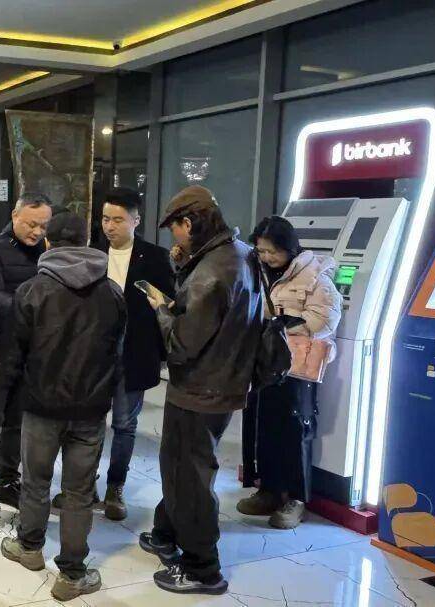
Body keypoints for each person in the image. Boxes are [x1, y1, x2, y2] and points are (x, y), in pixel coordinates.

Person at [138, 186, 262, 596]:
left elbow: (180, 345)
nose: (173, 236)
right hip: (223, 381)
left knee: (189, 475)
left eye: (174, 228)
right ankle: (166, 534)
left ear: (188, 224)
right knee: (180, 466)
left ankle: (202, 568)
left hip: (200, 388)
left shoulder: (211, 273)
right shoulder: (241, 254)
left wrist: (161, 308)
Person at [0, 212, 126, 602]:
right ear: (87, 241)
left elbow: (13, 355)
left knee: (35, 482)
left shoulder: (32, 290)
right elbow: (118, 354)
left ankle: (29, 548)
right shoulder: (112, 292)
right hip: (90, 409)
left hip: (41, 406)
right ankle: (72, 574)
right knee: (79, 492)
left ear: (48, 243)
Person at [240, 216, 341, 529]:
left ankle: (296, 498)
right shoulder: (258, 271)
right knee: (263, 427)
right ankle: (269, 490)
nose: (267, 257)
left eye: (273, 251)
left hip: (298, 366)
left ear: (289, 247)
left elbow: (325, 319)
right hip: (265, 362)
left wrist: (284, 325)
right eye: (262, 251)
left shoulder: (315, 275)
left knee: (295, 431)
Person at [92, 187, 174, 520]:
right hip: (96, 354)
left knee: (124, 424)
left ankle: (115, 487)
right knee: (90, 421)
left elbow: (166, 307)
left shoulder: (154, 257)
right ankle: (84, 485)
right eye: (105, 219)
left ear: (135, 221)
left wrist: (163, 353)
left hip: (135, 351)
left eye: (117, 220)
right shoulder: (92, 254)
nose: (109, 226)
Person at [0, 193, 52, 524]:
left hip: (29, 348)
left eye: (43, 226)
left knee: (18, 422)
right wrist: (33, 312)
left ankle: (8, 481)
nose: (37, 231)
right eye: (32, 224)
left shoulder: (46, 251)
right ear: (15, 216)